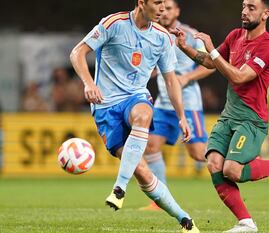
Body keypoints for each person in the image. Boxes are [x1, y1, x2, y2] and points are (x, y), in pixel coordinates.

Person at [172, 0, 269, 232]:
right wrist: (185, 47)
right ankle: (246, 222)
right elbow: (209, 62)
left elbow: (239, 77)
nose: (244, 11)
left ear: (265, 14)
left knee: (232, 170)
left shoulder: (268, 46)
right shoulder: (236, 36)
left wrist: (212, 49)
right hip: (228, 116)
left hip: (251, 119)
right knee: (214, 163)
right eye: (244, 6)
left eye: (251, 7)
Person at [69, 0, 199, 232]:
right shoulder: (113, 24)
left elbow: (170, 80)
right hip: (105, 107)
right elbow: (77, 52)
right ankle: (185, 219)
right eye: (157, 3)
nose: (162, 8)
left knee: (143, 114)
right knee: (143, 172)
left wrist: (181, 116)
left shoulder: (163, 37)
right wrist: (88, 83)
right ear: (142, 3)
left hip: (136, 97)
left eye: (165, 4)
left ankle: (119, 187)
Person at [140, 0, 215, 211]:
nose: (164, 12)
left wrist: (187, 77)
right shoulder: (152, 32)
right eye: (161, 7)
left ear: (177, 11)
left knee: (198, 153)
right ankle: (159, 200)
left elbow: (212, 64)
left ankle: (236, 161)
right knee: (150, 146)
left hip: (188, 104)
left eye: (169, 8)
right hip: (164, 104)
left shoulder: (190, 35)